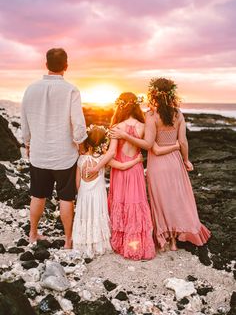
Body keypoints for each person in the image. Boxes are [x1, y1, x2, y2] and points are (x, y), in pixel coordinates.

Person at [110, 79, 211, 251]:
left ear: (153, 94)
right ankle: (175, 240)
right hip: (175, 162)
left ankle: (167, 239)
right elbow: (183, 141)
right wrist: (186, 159)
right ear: (172, 94)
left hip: (157, 166)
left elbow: (149, 145)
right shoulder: (178, 114)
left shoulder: (151, 116)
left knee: (161, 202)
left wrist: (125, 136)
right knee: (177, 199)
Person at [88, 92, 174, 260]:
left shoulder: (117, 127)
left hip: (120, 172)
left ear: (120, 107)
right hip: (135, 169)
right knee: (135, 204)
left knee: (121, 203)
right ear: (136, 106)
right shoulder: (143, 126)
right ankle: (137, 245)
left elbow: (112, 153)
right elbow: (152, 146)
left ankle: (122, 243)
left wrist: (98, 165)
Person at [21, 48, 87, 248]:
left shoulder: (31, 89)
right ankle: (68, 240)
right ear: (66, 66)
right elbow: (78, 123)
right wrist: (81, 145)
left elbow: (24, 121)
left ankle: (33, 233)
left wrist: (28, 143)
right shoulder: (71, 90)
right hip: (64, 155)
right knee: (66, 198)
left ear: (46, 64)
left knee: (37, 194)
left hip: (39, 153)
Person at [72, 125, 143, 258]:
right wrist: (136, 160)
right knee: (97, 216)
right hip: (98, 195)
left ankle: (83, 243)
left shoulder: (80, 159)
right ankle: (98, 244)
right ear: (104, 142)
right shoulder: (103, 159)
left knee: (85, 218)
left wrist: (80, 194)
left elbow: (77, 182)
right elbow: (122, 166)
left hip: (84, 195)